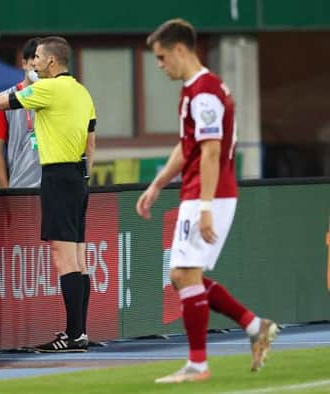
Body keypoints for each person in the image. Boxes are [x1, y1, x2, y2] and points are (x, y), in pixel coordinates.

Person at [136, 19, 278, 383]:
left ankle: (198, 364)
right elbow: (189, 148)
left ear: (181, 49)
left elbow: (211, 153)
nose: (159, 64)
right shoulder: (196, 90)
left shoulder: (204, 93)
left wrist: (204, 207)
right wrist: (157, 185)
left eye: (161, 56)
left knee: (184, 274)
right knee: (185, 275)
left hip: (208, 193)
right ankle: (254, 325)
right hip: (202, 191)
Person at [0, 36, 96, 352]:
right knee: (80, 259)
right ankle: (80, 332)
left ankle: (74, 336)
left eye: (39, 57)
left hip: (58, 177)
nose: (35, 62)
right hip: (77, 177)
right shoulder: (81, 91)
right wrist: (84, 178)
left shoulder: (48, 89)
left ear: (51, 62)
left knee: (64, 257)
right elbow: (91, 142)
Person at [0, 38, 41, 188]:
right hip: (20, 186)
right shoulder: (3, 100)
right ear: (24, 64)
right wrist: (6, 191)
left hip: (54, 186)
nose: (38, 73)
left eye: (41, 68)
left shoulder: (57, 97)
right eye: (34, 67)